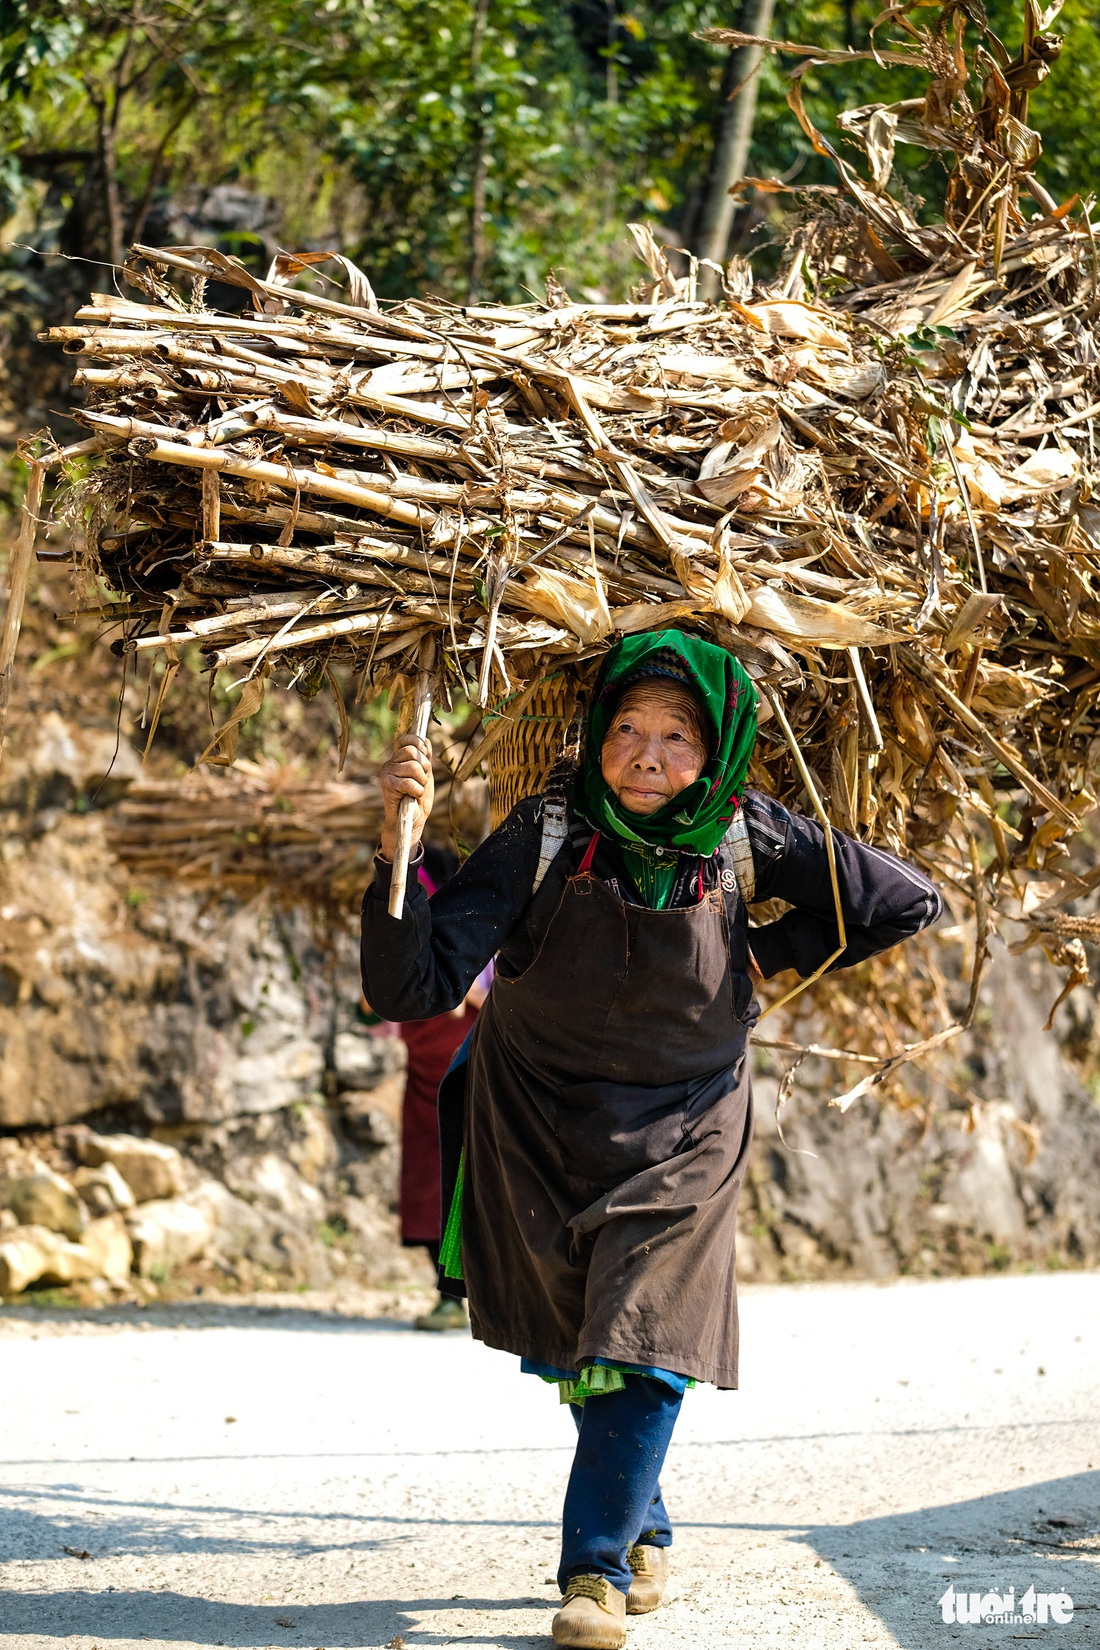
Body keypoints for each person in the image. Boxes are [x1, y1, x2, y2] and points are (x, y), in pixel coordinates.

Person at [361, 630, 941, 1649]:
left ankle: (588, 1574)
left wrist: (761, 949)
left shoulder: (744, 838)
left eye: (677, 736)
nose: (646, 753)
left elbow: (903, 899)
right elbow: (407, 986)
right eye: (626, 728)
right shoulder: (544, 833)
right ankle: (643, 1521)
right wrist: (395, 854)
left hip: (688, 1124)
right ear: (593, 737)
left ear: (714, 750)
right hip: (536, 1121)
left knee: (644, 1335)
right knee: (590, 1336)